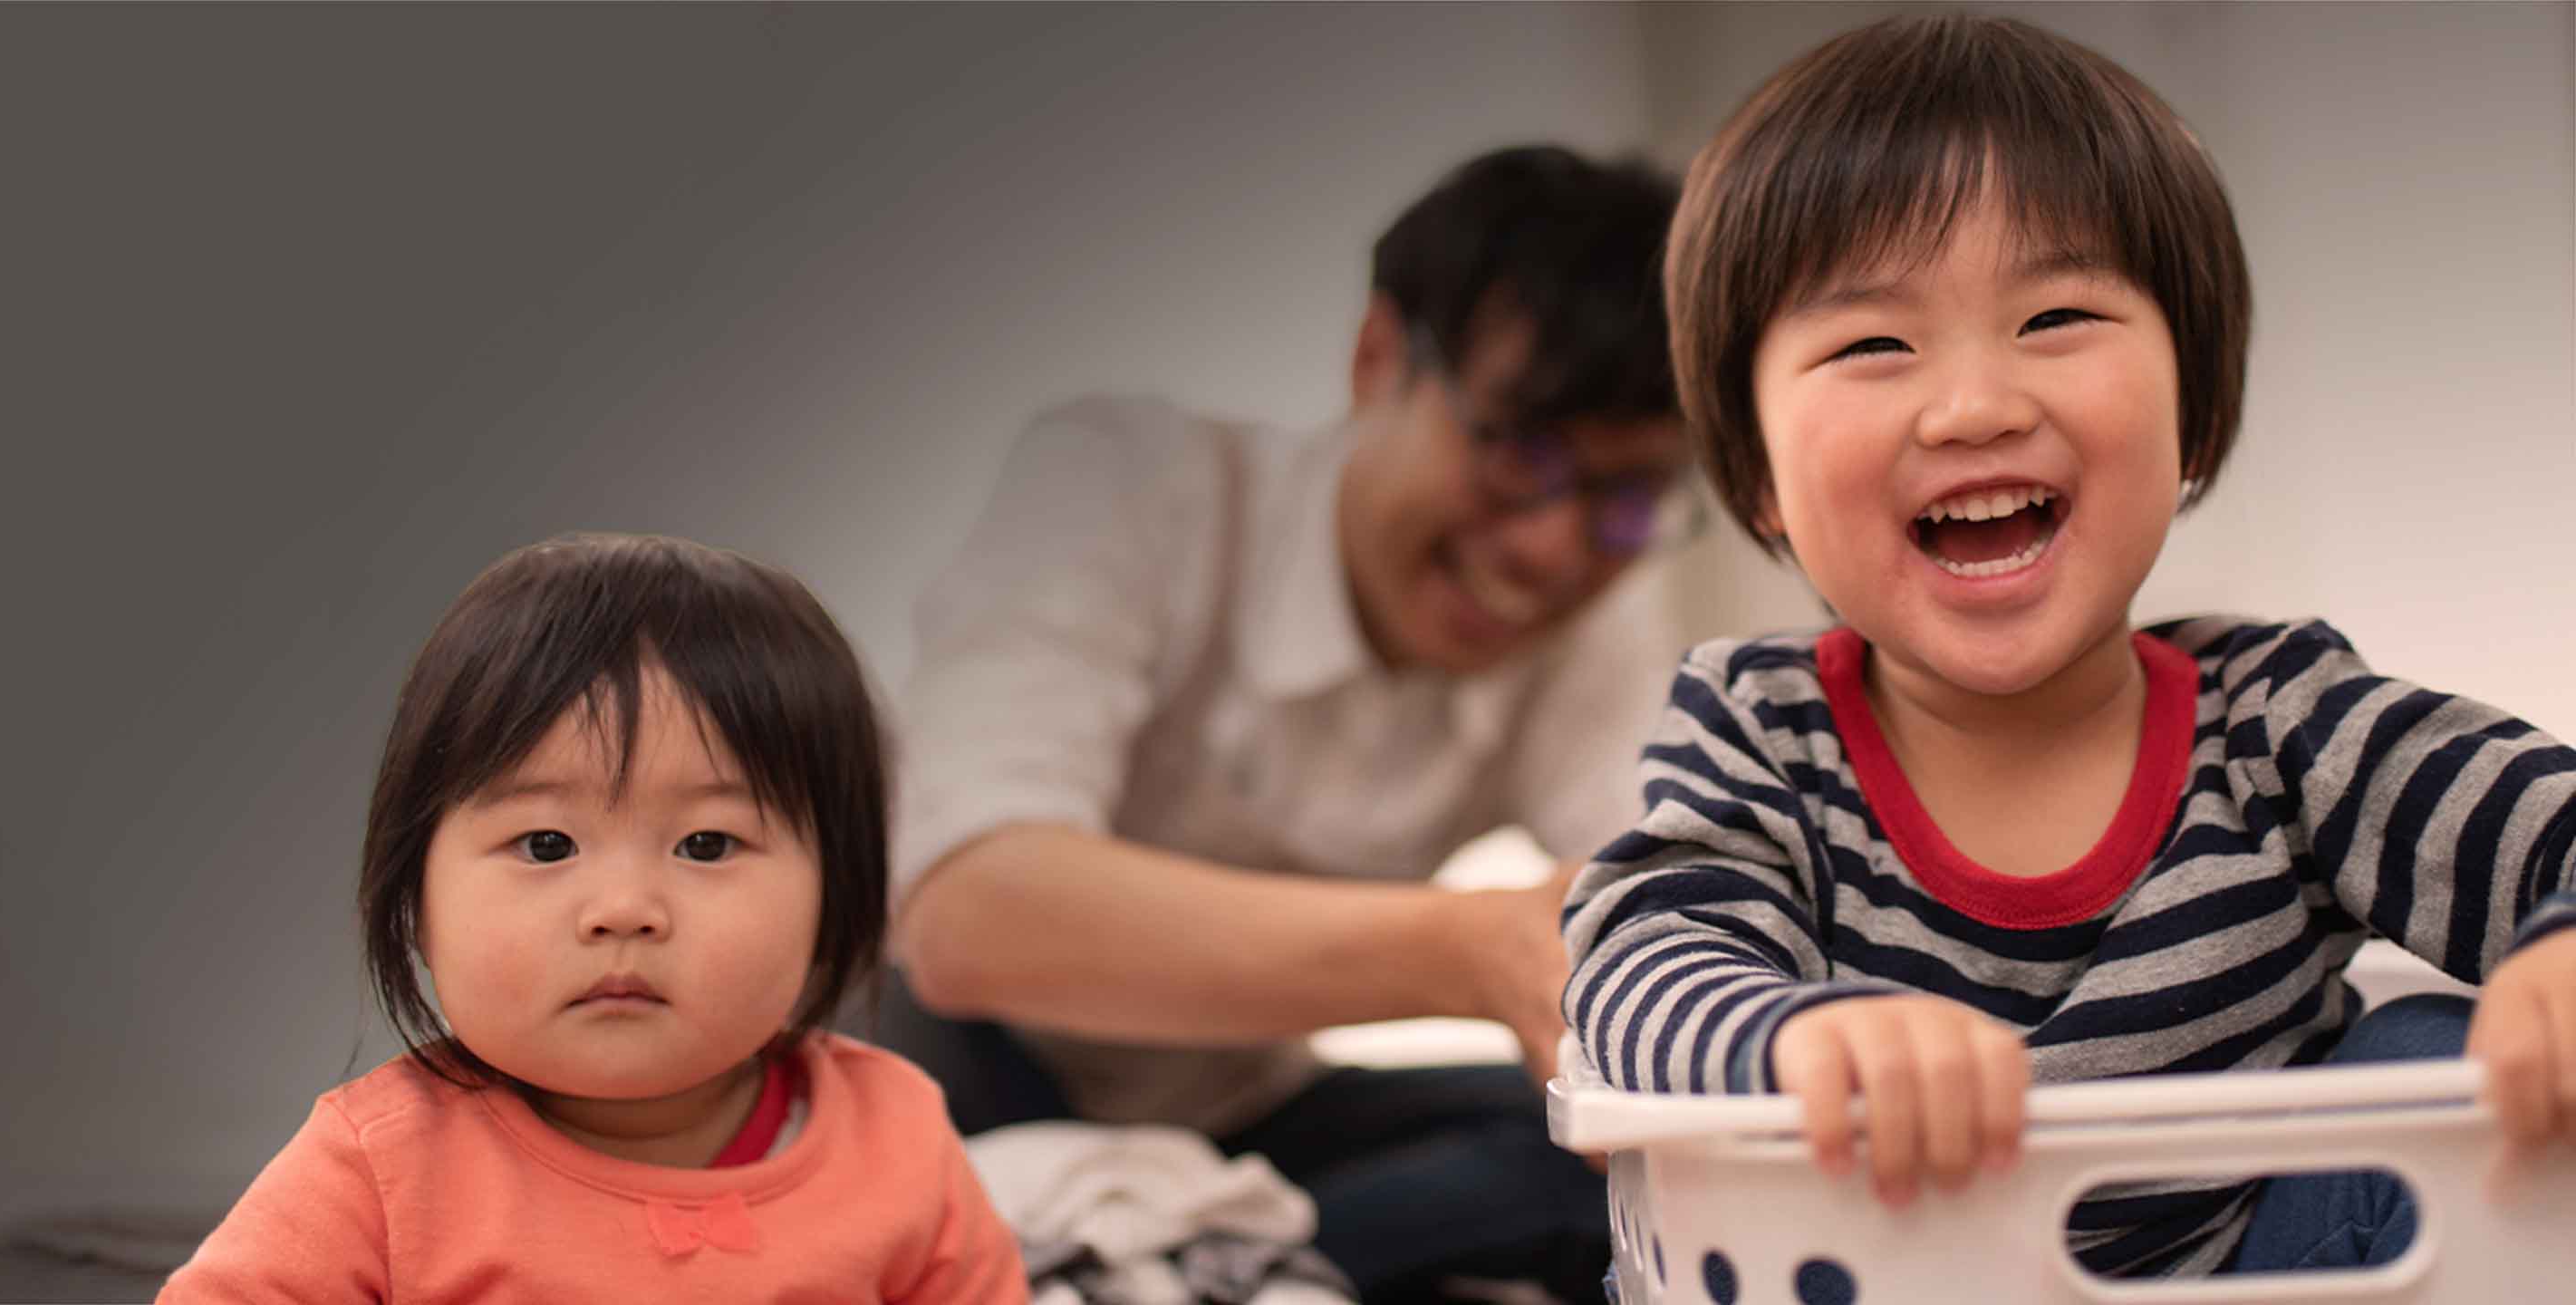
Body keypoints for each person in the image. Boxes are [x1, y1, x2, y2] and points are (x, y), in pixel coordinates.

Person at [1562, 13, 2576, 1280]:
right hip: (1872, 1272)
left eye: (2056, 317)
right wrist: (1793, 1041)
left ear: (2196, 414)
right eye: (1874, 343)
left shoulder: (2282, 722)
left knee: (2437, 1049)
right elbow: (1640, 954)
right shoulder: (1759, 731)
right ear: (1759, 479)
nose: (1978, 403)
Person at [886, 145, 1693, 1303]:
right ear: (1377, 357)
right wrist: (1471, 947)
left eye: (1626, 499)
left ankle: (1155, 1265)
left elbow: (1670, 879)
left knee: (1621, 1163)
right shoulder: (1130, 480)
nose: (1551, 549)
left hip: (1243, 1123)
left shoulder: (1591, 622)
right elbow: (969, 915)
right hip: (959, 1075)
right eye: (1518, 451)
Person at [163, 534, 1027, 1302]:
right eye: (545, 845)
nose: (624, 913)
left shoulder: (895, 1139)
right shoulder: (381, 1168)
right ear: (414, 901)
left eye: (707, 845)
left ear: (835, 895)